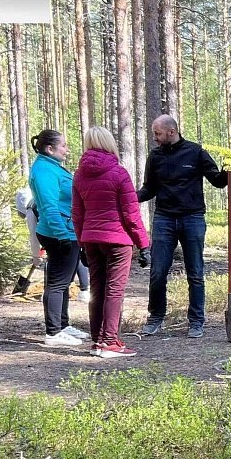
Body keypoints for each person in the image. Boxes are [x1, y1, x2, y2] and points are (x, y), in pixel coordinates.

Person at [138, 114, 229, 338]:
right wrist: (127, 198)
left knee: (195, 272)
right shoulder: (155, 156)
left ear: (172, 131)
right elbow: (148, 189)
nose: (155, 138)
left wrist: (229, 167)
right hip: (164, 219)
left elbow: (218, 181)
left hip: (193, 218)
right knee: (158, 271)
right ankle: (155, 317)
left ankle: (196, 321)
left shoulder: (195, 152)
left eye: (157, 134)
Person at [73, 126, 150, 358]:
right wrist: (144, 245)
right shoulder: (119, 173)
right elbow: (131, 213)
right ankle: (109, 342)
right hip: (117, 240)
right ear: (109, 143)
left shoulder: (79, 175)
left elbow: (77, 214)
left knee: (97, 289)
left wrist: (81, 242)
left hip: (91, 240)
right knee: (114, 290)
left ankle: (97, 341)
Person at [27, 129, 90, 349]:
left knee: (64, 283)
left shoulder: (51, 167)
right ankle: (53, 332)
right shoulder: (44, 171)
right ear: (49, 148)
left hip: (66, 230)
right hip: (58, 232)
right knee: (56, 284)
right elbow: (49, 207)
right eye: (63, 145)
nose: (67, 149)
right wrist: (62, 236)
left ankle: (62, 325)